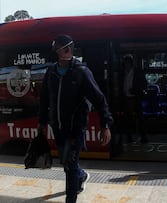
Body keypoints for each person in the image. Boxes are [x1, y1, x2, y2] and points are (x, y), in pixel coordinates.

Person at [38, 34, 113, 203]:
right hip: (57, 127)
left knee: (70, 165)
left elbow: (99, 99)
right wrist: (42, 122)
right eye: (54, 50)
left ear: (68, 49)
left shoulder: (81, 72)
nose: (56, 53)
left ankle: (70, 199)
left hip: (75, 129)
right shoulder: (51, 72)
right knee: (67, 163)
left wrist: (105, 124)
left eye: (58, 49)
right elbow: (44, 100)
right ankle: (82, 175)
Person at [119, 54, 148, 144]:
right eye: (125, 63)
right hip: (126, 98)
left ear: (131, 64)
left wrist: (136, 90)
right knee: (128, 119)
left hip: (136, 98)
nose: (126, 65)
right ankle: (129, 137)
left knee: (140, 118)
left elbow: (144, 83)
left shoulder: (137, 72)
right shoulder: (122, 72)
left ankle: (143, 137)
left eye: (128, 63)